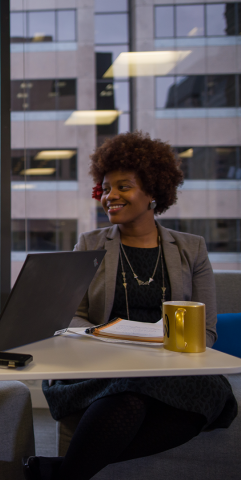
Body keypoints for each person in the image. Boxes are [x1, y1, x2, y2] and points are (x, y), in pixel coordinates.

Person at [22, 131, 238, 480]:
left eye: (124, 186)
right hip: (99, 366)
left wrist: (161, 355)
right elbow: (69, 315)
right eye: (106, 188)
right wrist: (100, 340)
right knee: (129, 392)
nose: (111, 196)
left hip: (167, 365)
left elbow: (206, 330)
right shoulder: (90, 244)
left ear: (153, 192)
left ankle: (59, 472)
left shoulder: (191, 249)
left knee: (207, 395)